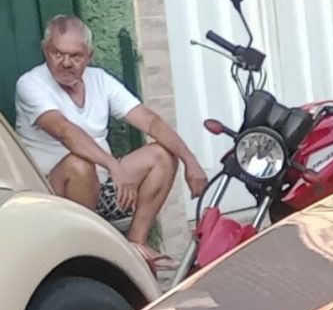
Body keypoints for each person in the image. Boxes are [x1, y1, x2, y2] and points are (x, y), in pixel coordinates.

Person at [14, 14, 203, 276]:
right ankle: (86, 254)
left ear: (89, 55)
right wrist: (113, 165)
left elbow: (149, 121)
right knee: (79, 165)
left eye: (75, 56)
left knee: (162, 155)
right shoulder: (30, 84)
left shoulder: (99, 80)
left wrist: (190, 161)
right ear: (46, 50)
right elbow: (65, 132)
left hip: (100, 189)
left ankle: (136, 245)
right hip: (54, 197)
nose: (66, 63)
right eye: (58, 54)